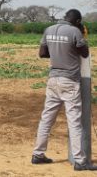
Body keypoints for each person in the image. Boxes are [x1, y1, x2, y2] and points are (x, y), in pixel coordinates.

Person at [31, 9, 97, 171]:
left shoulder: (49, 29)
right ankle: (81, 161)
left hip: (53, 80)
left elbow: (42, 53)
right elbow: (84, 53)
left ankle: (38, 154)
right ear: (77, 21)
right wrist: (81, 35)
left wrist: (57, 53)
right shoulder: (75, 31)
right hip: (69, 82)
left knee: (46, 118)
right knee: (74, 121)